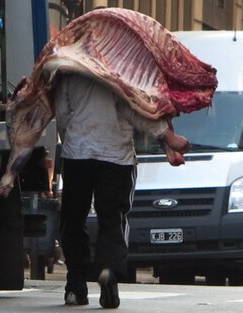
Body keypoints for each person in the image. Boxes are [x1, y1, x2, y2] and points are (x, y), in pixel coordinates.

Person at [55, 73, 188, 308]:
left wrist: (74, 140)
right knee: (113, 219)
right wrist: (168, 137)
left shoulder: (69, 69)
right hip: (116, 157)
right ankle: (108, 270)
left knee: (73, 219)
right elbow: (134, 109)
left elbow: (63, 114)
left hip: (77, 154)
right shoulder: (122, 67)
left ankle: (75, 287)